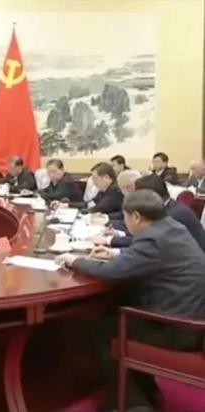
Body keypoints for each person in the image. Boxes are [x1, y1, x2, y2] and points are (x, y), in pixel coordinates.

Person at [56, 190, 205, 411]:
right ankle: (148, 393)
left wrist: (74, 260)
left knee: (102, 330)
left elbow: (111, 272)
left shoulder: (152, 238)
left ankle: (131, 404)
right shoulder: (172, 227)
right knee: (117, 311)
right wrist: (116, 253)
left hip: (176, 329)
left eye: (125, 217)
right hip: (193, 321)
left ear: (135, 216)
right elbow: (151, 255)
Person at [95, 174, 205, 252]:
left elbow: (147, 241)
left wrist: (109, 240)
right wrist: (118, 234)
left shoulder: (175, 214)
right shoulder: (166, 207)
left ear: (149, 196)